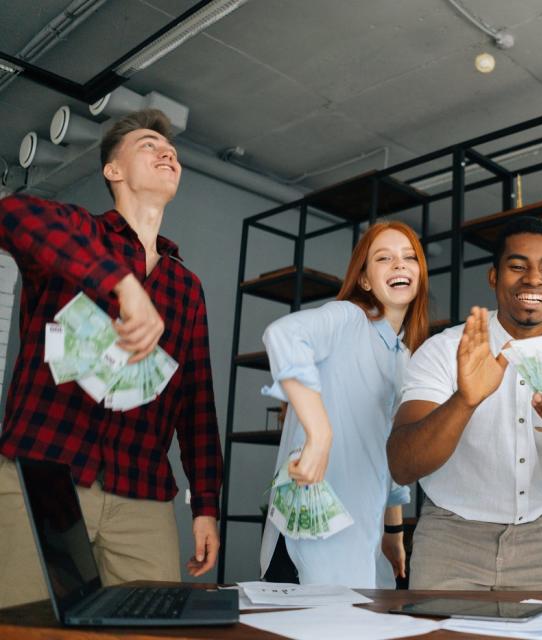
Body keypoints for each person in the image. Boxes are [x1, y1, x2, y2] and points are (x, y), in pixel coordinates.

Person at [0, 109, 222, 608]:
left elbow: (196, 402)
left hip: (141, 493)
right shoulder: (76, 230)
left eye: (172, 151)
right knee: (22, 628)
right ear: (113, 170)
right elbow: (11, 216)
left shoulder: (187, 289)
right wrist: (119, 283)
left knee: (149, 629)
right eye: (148, 144)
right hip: (41, 475)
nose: (167, 152)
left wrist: (206, 505)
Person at [387, 216, 542, 591]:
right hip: (449, 540)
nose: (533, 279)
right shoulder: (445, 350)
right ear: (494, 277)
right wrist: (464, 401)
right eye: (517, 266)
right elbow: (402, 465)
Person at [259, 221, 429, 588]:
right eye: (384, 258)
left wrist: (394, 533)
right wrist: (320, 434)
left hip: (363, 535)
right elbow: (284, 335)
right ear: (365, 280)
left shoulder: (404, 357)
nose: (399, 265)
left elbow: (388, 456)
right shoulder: (349, 318)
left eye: (409, 257)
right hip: (311, 531)